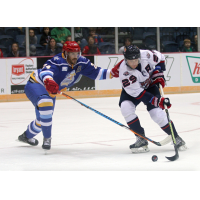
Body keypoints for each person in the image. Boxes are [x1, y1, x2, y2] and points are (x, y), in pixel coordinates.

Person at [18, 41, 114, 150]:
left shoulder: (81, 62)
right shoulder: (57, 60)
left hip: (51, 90)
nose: (75, 56)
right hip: (37, 83)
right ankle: (47, 138)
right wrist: (49, 81)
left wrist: (113, 73)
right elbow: (46, 72)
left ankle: (26, 136)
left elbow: (97, 73)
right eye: (72, 54)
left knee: (43, 119)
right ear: (65, 53)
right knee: (46, 105)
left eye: (77, 53)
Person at [110, 45, 187, 153]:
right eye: (130, 61)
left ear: (139, 57)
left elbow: (161, 58)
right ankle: (141, 138)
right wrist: (158, 101)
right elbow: (140, 94)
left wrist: (158, 71)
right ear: (125, 59)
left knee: (157, 114)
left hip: (150, 86)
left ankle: (176, 137)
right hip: (133, 91)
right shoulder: (124, 72)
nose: (133, 63)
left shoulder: (146, 55)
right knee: (126, 108)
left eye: (136, 60)